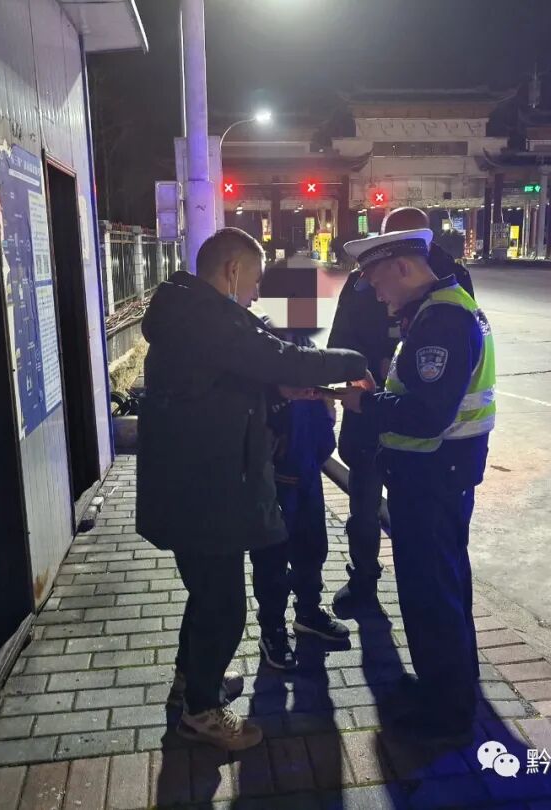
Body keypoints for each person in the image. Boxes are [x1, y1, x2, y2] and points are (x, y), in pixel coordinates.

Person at [136, 228, 367, 751]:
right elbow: (284, 358)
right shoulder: (208, 318)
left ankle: (193, 680)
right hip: (203, 488)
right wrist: (354, 362)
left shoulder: (190, 314)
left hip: (195, 480)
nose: (257, 293)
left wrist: (278, 391)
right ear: (233, 270)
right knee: (223, 605)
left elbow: (228, 382)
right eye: (255, 281)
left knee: (206, 595)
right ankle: (201, 712)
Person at [338, 227, 495, 738]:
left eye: (376, 279)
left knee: (431, 593)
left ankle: (444, 712)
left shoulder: (442, 320)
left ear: (403, 267)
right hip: (441, 474)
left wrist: (365, 402)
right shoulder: (443, 308)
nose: (374, 292)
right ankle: (449, 688)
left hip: (432, 475)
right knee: (445, 584)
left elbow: (427, 415)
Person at [327, 207, 475, 615]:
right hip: (372, 414)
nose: (380, 294)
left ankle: (435, 614)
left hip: (426, 438)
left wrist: (399, 369)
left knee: (431, 546)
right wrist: (366, 371)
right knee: (364, 507)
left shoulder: (450, 281)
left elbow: (454, 358)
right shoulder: (363, 281)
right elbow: (340, 344)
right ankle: (364, 578)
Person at [250, 320, 350, 671]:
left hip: (307, 468)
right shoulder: (261, 344)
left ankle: (308, 612)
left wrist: (327, 418)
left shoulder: (305, 343)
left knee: (312, 546)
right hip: (276, 475)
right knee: (273, 556)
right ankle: (272, 628)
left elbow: (321, 396)